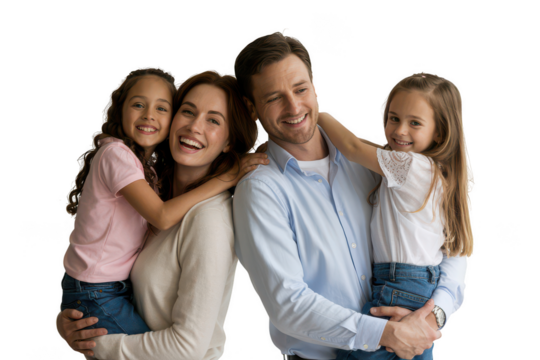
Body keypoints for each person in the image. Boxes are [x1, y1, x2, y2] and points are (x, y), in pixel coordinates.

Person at [232, 31, 468, 360]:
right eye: (274, 98)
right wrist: (388, 333)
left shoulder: (374, 165)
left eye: (301, 89)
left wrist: (434, 313)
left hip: (407, 343)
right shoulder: (260, 190)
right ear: (252, 108)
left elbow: (450, 245)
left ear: (315, 88)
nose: (294, 106)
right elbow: (288, 305)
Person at [56, 69, 268, 359]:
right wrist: (72, 320)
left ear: (230, 141)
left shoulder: (208, 220)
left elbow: (188, 348)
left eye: (214, 120)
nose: (194, 126)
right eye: (188, 111)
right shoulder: (152, 190)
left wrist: (95, 346)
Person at [316, 72, 473, 360]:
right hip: (418, 284)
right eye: (393, 118)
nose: (399, 130)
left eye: (414, 123)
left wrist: (316, 114)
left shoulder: (410, 167)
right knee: (407, 352)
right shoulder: (431, 170)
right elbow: (372, 149)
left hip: (399, 284)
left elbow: (351, 148)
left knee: (356, 351)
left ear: (439, 132)